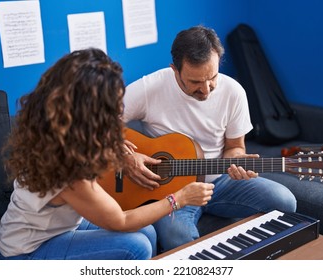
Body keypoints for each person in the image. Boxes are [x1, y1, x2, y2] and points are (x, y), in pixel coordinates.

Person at [0, 47, 214, 260]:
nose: (118, 109)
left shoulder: (56, 129)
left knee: (147, 231)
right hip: (26, 252)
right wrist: (179, 198)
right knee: (135, 247)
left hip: (52, 225)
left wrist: (123, 153)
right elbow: (121, 220)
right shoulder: (70, 168)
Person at [122, 25, 297, 253]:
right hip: (171, 192)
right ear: (175, 70)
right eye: (195, 82)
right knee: (177, 235)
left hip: (220, 182)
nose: (206, 90)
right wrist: (124, 155)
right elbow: (98, 123)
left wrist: (237, 161)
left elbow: (235, 146)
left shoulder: (234, 92)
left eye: (212, 77)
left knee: (285, 201)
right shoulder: (149, 88)